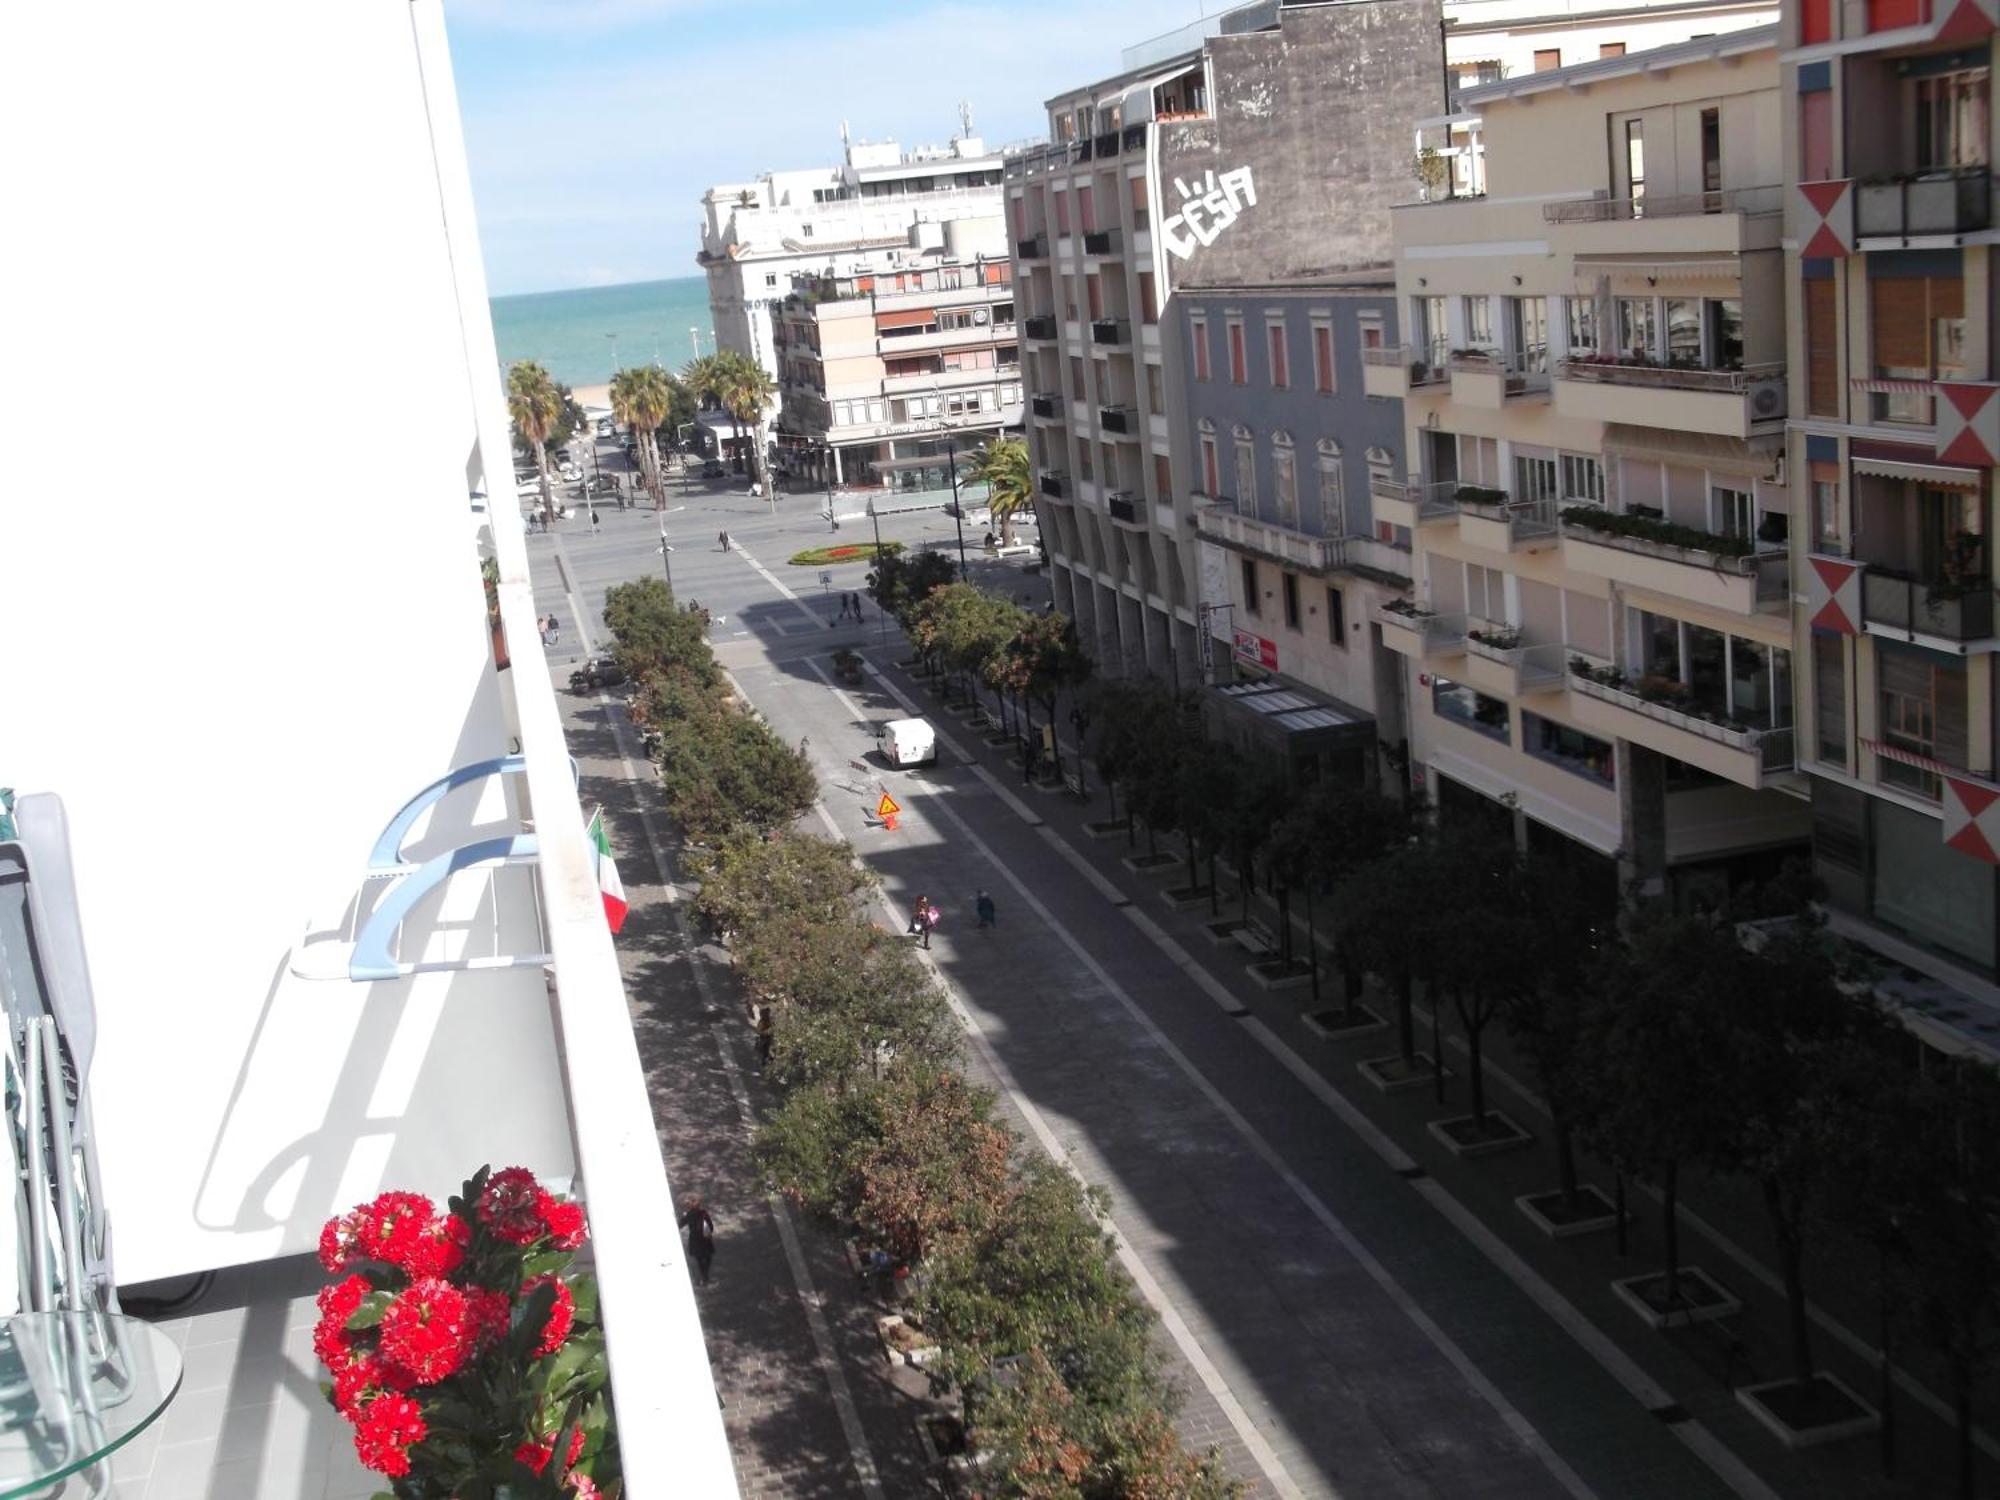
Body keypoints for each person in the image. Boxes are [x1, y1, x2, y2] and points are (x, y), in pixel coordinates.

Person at [679, 1197, 715, 1286]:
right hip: (705, 1240)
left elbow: (679, 1225)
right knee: (708, 1258)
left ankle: (704, 1278)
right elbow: (711, 1226)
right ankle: (705, 1276)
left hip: (694, 1240)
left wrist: (683, 1216)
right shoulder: (704, 1213)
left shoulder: (688, 1215)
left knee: (699, 1259)